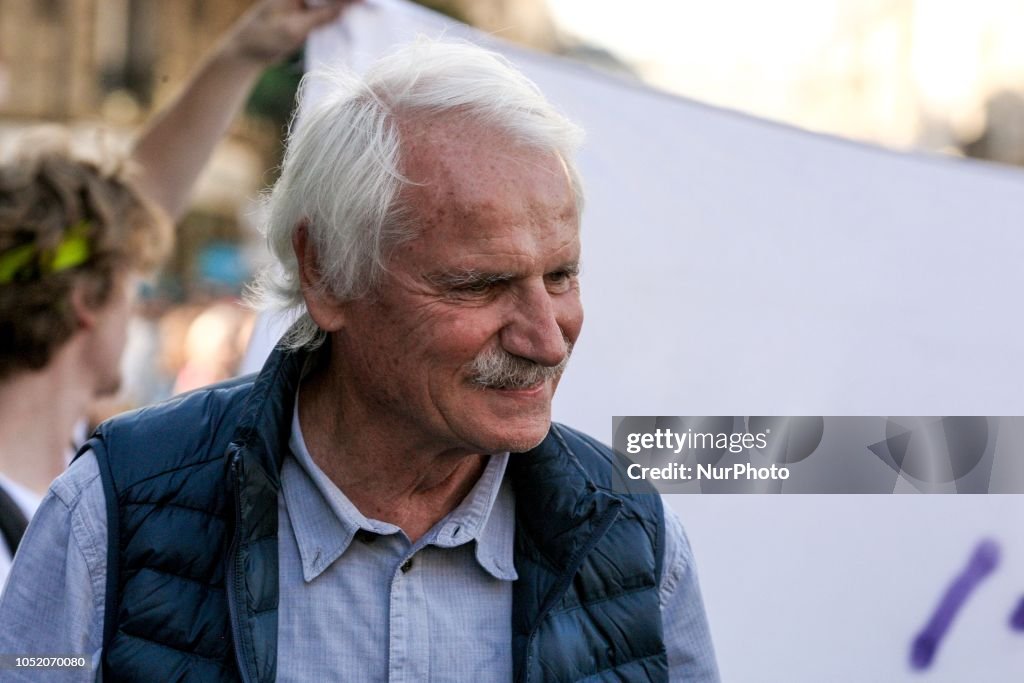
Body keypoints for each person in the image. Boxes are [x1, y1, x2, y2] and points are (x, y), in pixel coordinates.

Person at [0, 39, 720, 681]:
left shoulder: (635, 543)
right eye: (479, 284)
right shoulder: (114, 512)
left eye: (561, 276)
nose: (547, 338)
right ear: (327, 274)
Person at [0, 0, 352, 590]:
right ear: (88, 300)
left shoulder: (85, 463)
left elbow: (139, 204)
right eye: (133, 285)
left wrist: (243, 52)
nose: (139, 303)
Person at [0, 133, 172, 589]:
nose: (133, 314)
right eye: (130, 290)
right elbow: (52, 666)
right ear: (86, 301)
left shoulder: (97, 466)